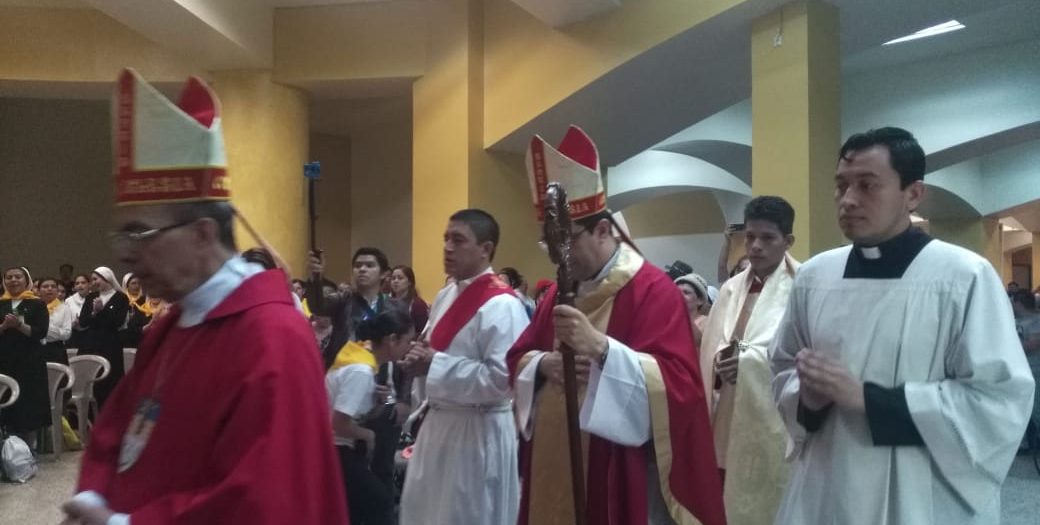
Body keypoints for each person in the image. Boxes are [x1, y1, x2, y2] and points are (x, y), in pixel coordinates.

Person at [60, 68, 347, 525]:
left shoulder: (274, 338)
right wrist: (94, 496)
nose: (126, 255)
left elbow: (265, 498)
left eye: (140, 234)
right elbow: (117, 428)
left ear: (202, 234)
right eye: (121, 236)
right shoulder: (171, 327)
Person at [769, 127, 1035, 524]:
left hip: (920, 494)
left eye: (867, 185)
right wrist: (805, 398)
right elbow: (782, 367)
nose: (848, 200)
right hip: (826, 484)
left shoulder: (964, 276)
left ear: (913, 194)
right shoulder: (814, 276)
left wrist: (870, 400)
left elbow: (999, 398)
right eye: (841, 186)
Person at [508, 126, 725, 525]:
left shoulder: (652, 291)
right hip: (551, 463)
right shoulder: (558, 294)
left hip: (615, 467)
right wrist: (541, 365)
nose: (558, 256)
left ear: (603, 230)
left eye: (567, 241)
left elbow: (681, 389)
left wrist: (602, 349)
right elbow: (519, 355)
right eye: (550, 243)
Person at [398, 208, 529, 525]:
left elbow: (502, 380)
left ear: (486, 248)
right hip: (439, 426)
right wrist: (417, 361)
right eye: (446, 238)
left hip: (477, 432)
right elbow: (433, 352)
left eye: (458, 240)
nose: (447, 247)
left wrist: (434, 363)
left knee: (465, 514)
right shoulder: (446, 296)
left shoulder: (504, 305)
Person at [698, 196, 799, 524]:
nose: (755, 246)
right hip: (727, 415)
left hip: (775, 422)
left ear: (788, 241)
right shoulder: (729, 290)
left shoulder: (802, 287)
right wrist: (719, 363)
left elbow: (808, 355)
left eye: (767, 238)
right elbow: (711, 348)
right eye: (750, 237)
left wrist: (752, 363)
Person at [327, 308, 415, 525]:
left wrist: (376, 403)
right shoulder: (360, 371)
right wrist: (368, 435)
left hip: (341, 448)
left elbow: (356, 415)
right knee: (379, 502)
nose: (410, 347)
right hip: (335, 449)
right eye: (407, 341)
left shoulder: (361, 360)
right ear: (392, 340)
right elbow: (339, 423)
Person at [0, 267, 51, 450]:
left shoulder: (37, 304)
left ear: (26, 280)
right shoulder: (1, 303)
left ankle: (29, 449)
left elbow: (40, 332)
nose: (13, 280)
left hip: (30, 362)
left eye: (18, 277)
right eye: (9, 277)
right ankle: (8, 448)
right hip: (5, 360)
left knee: (28, 404)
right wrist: (5, 326)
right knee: (7, 403)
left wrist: (19, 325)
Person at [77, 266, 131, 409]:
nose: (94, 283)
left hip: (110, 346)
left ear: (107, 278)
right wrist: (94, 313)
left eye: (96, 279)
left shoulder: (121, 297)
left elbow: (117, 322)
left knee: (110, 381)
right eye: (93, 280)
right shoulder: (91, 297)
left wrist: (102, 311)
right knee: (92, 382)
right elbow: (83, 321)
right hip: (91, 344)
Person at [39, 277, 74, 365]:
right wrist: (57, 332)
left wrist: (45, 328)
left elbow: (66, 334)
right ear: (39, 291)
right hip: (36, 349)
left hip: (57, 350)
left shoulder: (64, 308)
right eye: (45, 286)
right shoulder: (34, 308)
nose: (49, 289)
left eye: (53, 286)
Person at [389, 265, 429, 334]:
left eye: (400, 278)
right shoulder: (387, 303)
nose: (396, 281)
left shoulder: (417, 304)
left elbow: (423, 331)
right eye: (393, 278)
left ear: (409, 282)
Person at [674, 272, 711, 348]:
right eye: (677, 291)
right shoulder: (670, 320)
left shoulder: (707, 323)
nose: (679, 295)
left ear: (700, 300)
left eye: (686, 292)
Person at [66, 273, 91, 350]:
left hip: (91, 334)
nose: (80, 285)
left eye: (83, 283)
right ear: (74, 287)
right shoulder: (68, 301)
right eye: (77, 283)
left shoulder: (95, 298)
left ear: (89, 284)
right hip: (74, 335)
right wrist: (73, 324)